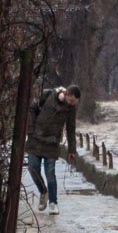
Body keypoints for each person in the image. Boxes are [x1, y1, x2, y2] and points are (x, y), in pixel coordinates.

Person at [26, 84, 80, 215]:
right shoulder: (47, 95)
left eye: (74, 102)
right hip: (36, 139)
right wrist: (31, 129)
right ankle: (43, 192)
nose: (72, 104)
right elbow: (32, 109)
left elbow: (71, 129)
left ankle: (53, 203)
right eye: (71, 100)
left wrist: (72, 150)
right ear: (66, 94)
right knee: (33, 168)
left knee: (50, 173)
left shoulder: (70, 109)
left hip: (52, 143)